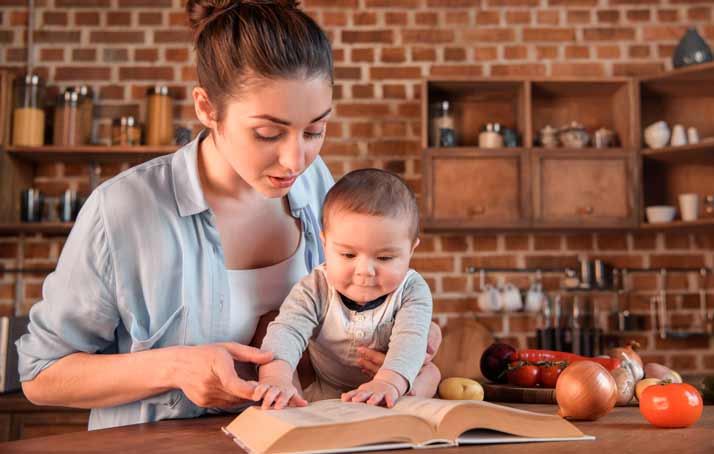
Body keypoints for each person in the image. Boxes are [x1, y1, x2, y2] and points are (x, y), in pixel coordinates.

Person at [14, 0, 440, 431]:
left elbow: (331, 317)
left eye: (315, 130)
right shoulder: (124, 209)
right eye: (268, 133)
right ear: (207, 108)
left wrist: (393, 344)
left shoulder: (317, 188)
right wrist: (175, 369)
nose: (296, 159)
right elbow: (41, 375)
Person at [253, 169, 441, 410]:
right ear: (325, 243)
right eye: (348, 255)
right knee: (277, 341)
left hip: (390, 384)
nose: (364, 271)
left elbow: (410, 340)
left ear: (411, 251)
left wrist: (387, 383)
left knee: (430, 373)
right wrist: (275, 378)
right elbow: (288, 330)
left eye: (384, 258)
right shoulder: (315, 287)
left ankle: (404, 401)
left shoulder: (412, 290)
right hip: (323, 385)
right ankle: (290, 405)